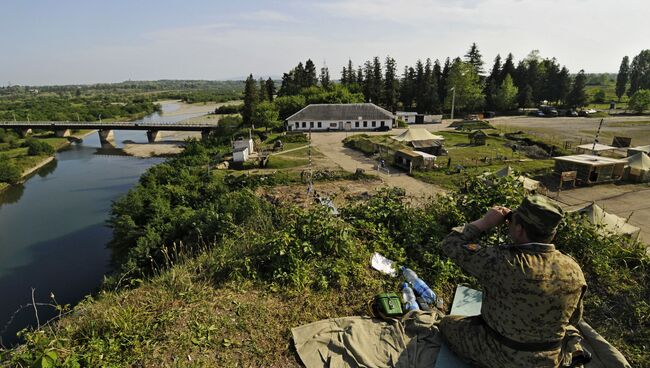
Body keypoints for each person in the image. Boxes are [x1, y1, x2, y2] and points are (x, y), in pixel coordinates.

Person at [439, 195, 588, 367]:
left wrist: (485, 222)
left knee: (447, 323)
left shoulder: (502, 261)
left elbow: (451, 243)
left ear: (519, 230)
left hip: (504, 355)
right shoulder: (574, 270)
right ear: (553, 234)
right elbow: (573, 320)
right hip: (550, 360)